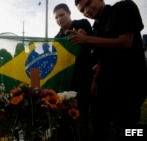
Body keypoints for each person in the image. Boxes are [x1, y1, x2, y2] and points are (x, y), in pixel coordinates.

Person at [69, 0, 147, 140]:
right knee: (99, 126)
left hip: (129, 85)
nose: (86, 11)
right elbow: (101, 59)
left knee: (126, 129)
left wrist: (87, 39)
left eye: (88, 4)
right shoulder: (96, 28)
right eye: (82, 10)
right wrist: (95, 80)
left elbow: (125, 42)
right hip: (106, 86)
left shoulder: (123, 7)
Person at [53, 3, 94, 141]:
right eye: (56, 17)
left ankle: (85, 133)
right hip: (67, 81)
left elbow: (93, 43)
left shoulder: (82, 23)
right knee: (66, 113)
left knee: (84, 112)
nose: (59, 19)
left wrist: (84, 36)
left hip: (84, 76)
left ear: (69, 13)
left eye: (62, 15)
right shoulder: (56, 38)